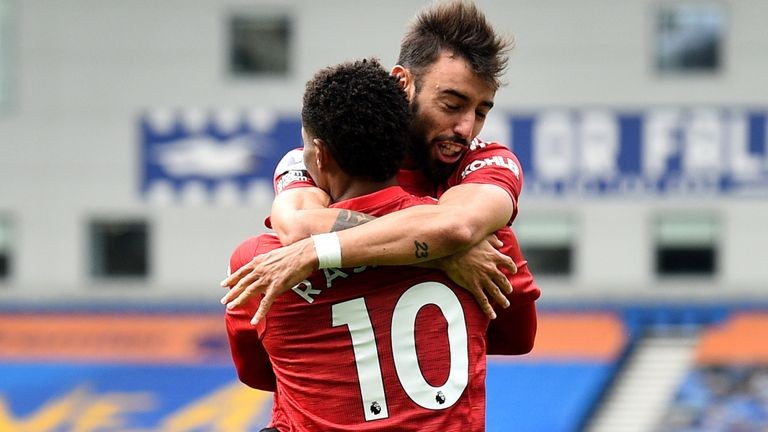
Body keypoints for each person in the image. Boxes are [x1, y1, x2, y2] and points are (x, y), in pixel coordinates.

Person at [222, 0, 540, 355]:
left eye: (481, 111)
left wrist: (321, 247)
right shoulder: (317, 158)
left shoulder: (488, 162)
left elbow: (457, 228)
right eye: (451, 105)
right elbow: (296, 226)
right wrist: (446, 256)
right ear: (403, 82)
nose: (466, 127)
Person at [227, 58, 492, 431]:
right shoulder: (485, 248)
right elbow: (517, 336)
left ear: (319, 155)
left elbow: (258, 373)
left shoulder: (258, 262)